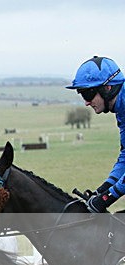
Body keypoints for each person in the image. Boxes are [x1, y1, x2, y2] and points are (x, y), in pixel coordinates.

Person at [67, 56, 125, 213]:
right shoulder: (122, 110)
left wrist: (108, 197)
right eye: (82, 94)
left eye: (88, 94)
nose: (86, 102)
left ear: (108, 88)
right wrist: (103, 190)